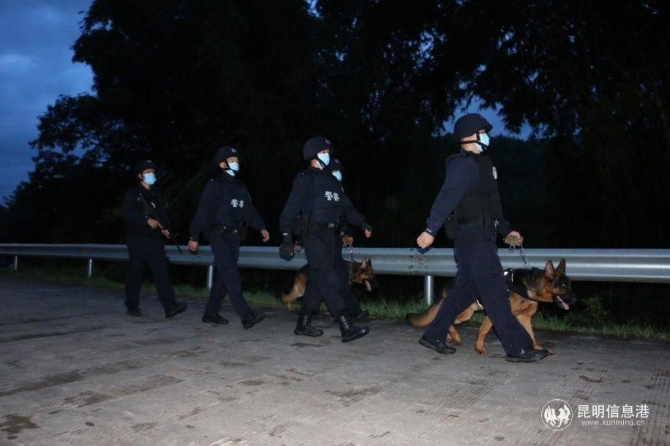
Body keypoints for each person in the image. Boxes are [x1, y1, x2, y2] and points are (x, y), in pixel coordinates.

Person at [415, 113, 549, 362]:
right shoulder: (463, 164)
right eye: (482, 132)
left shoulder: (484, 165)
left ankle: (433, 334)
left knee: (463, 292)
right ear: (469, 136)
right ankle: (518, 347)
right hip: (471, 238)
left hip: (483, 238)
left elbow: (493, 208)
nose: (487, 136)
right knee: (496, 292)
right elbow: (446, 197)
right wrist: (430, 230)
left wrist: (506, 230)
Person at [279, 137, 372, 342]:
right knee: (329, 279)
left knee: (317, 284)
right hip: (312, 235)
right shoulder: (305, 178)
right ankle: (346, 327)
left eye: (328, 152)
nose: (328, 155)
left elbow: (347, 208)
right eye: (324, 152)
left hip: (330, 237)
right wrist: (286, 237)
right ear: (313, 155)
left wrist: (362, 223)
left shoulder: (332, 181)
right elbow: (290, 209)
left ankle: (302, 324)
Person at [187, 146, 270, 329]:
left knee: (224, 277)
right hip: (217, 235)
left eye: (236, 160)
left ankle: (210, 312)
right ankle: (246, 315)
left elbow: (249, 210)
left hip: (234, 236)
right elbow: (203, 211)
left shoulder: (240, 186)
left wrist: (261, 226)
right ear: (222, 164)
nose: (236, 163)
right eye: (232, 160)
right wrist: (194, 236)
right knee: (231, 273)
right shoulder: (214, 184)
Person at [121, 160, 188, 318]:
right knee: (135, 273)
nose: (151, 174)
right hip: (136, 239)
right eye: (147, 172)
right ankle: (132, 305)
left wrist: (166, 229)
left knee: (162, 272)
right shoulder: (132, 193)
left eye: (152, 171)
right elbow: (127, 213)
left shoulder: (156, 193)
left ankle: (170, 307)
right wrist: (145, 220)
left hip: (155, 239)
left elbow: (162, 214)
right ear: (140, 175)